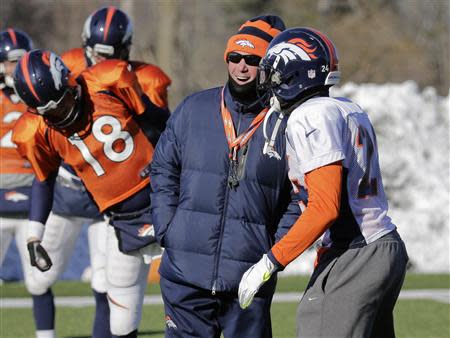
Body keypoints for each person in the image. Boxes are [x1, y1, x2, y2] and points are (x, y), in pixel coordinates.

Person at [237, 27, 409, 337]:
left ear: (293, 74)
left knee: (315, 327)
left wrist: (271, 260)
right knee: (315, 319)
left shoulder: (310, 116)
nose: (268, 84)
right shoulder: (347, 108)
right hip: (379, 243)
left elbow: (325, 206)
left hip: (357, 249)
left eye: (273, 75)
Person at [150, 15, 302, 338]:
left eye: (252, 59)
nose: (241, 67)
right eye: (235, 57)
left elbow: (300, 197)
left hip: (249, 280)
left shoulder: (287, 123)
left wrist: (271, 251)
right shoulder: (193, 109)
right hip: (184, 278)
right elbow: (163, 170)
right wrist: (168, 230)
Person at [24, 6, 171, 338]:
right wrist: (35, 231)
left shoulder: (132, 76)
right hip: (77, 192)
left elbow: (162, 128)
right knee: (99, 288)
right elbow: (43, 173)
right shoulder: (63, 74)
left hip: (138, 197)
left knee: (120, 285)